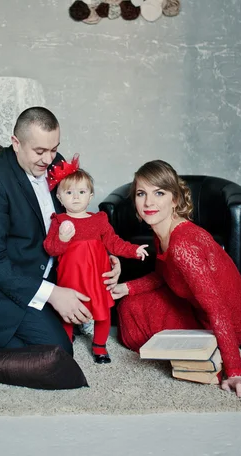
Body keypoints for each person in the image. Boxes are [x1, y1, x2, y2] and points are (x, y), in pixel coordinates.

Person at [0, 107, 120, 356]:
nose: (49, 160)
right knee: (57, 352)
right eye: (39, 151)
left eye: (54, 148)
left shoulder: (56, 164)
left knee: (104, 312)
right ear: (16, 143)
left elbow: (75, 218)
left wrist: (105, 257)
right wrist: (53, 294)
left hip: (45, 271)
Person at [111, 160, 241, 398]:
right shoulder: (162, 231)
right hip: (197, 309)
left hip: (226, 322)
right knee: (129, 309)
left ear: (175, 199)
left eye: (159, 193)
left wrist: (236, 371)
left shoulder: (183, 246)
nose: (148, 202)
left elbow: (218, 308)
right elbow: (162, 276)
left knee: (135, 327)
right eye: (141, 193)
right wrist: (126, 288)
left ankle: (213, 353)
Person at [43, 155, 148, 363]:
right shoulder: (59, 221)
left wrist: (134, 250)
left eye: (81, 192)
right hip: (71, 277)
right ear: (60, 198)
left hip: (96, 277)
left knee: (102, 311)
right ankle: (66, 342)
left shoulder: (99, 220)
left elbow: (113, 242)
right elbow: (51, 249)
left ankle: (100, 346)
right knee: (68, 312)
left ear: (90, 196)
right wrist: (63, 239)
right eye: (69, 193)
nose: (75, 197)